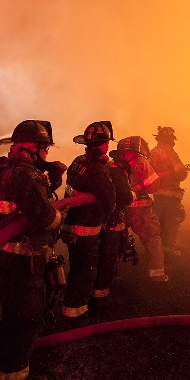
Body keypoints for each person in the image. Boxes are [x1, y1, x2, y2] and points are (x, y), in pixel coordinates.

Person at [0, 119, 65, 380]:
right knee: (26, 322)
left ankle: (6, 376)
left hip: (3, 259)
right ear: (35, 147)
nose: (46, 154)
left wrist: (50, 178)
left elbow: (20, 205)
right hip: (23, 262)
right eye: (44, 149)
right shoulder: (26, 175)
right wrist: (59, 217)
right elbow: (43, 216)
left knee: (12, 319)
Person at [59, 121, 117, 324]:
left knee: (76, 267)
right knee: (84, 271)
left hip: (69, 224)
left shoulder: (77, 161)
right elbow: (109, 201)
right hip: (85, 229)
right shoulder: (100, 169)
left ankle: (70, 304)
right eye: (107, 143)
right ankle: (76, 311)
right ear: (103, 145)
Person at [110, 136, 169, 283]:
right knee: (151, 238)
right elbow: (153, 186)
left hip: (119, 209)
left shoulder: (113, 164)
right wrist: (141, 185)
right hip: (140, 209)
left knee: (115, 240)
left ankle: (111, 274)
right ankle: (157, 273)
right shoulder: (142, 162)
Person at [92, 137, 136, 302]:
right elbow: (124, 197)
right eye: (134, 156)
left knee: (106, 254)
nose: (136, 161)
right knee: (109, 255)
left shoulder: (112, 166)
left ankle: (104, 283)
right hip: (112, 221)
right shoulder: (118, 170)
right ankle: (101, 291)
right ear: (126, 155)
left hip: (106, 220)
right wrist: (132, 195)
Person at [149, 126, 190, 257]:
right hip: (171, 193)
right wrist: (184, 171)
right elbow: (180, 174)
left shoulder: (153, 151)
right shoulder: (171, 152)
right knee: (172, 220)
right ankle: (169, 248)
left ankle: (159, 246)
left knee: (159, 219)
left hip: (157, 193)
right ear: (171, 140)